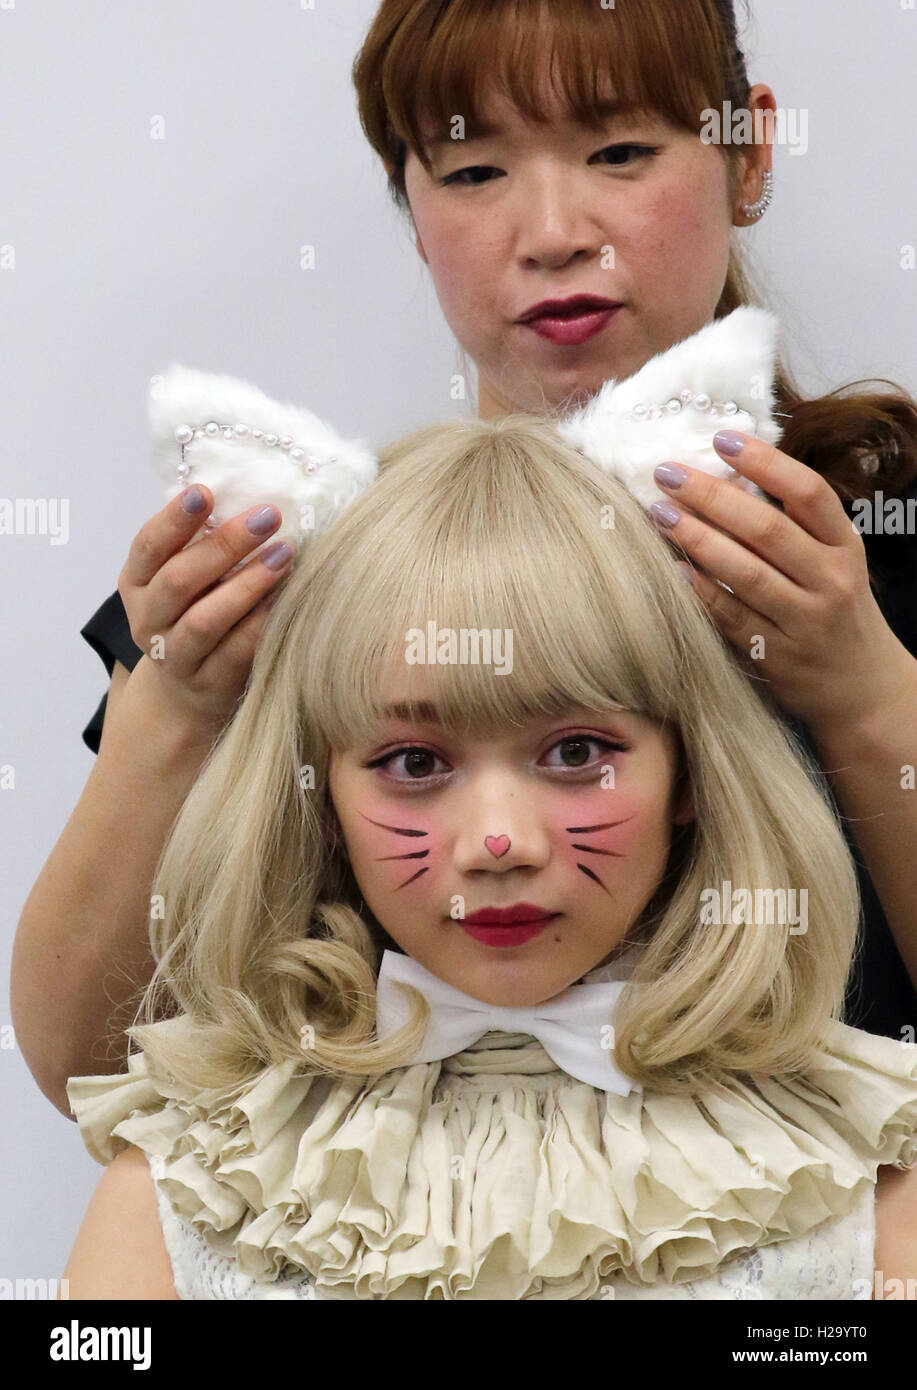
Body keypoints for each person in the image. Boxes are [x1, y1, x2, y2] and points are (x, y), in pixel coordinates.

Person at [12, 0, 917, 1118]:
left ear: (746, 152)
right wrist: (178, 707)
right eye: (472, 170)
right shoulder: (289, 569)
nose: (550, 231)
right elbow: (90, 1067)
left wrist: (866, 692)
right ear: (409, 198)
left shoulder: (886, 533)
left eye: (620, 151)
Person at [61, 415, 917, 1299]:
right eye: (415, 764)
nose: (498, 843)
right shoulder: (188, 1185)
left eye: (576, 752)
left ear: (688, 773)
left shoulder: (860, 1170)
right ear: (317, 799)